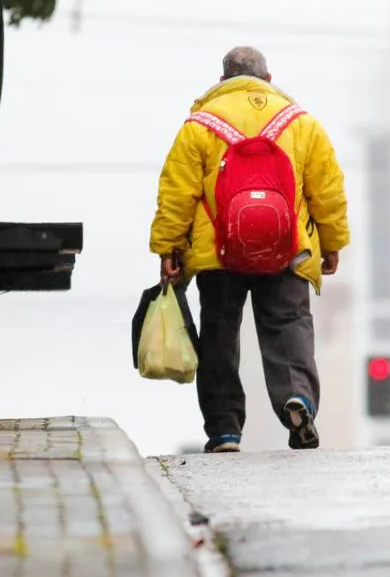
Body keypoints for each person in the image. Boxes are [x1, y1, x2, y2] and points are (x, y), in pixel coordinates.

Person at [149, 46, 350, 453]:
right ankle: (298, 398)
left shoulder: (199, 125)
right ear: (269, 79)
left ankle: (224, 429)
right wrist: (332, 242)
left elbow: (177, 193)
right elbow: (327, 190)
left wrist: (168, 247)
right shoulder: (301, 124)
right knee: (287, 324)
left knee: (220, 334)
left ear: (223, 80)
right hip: (288, 248)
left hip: (218, 253)